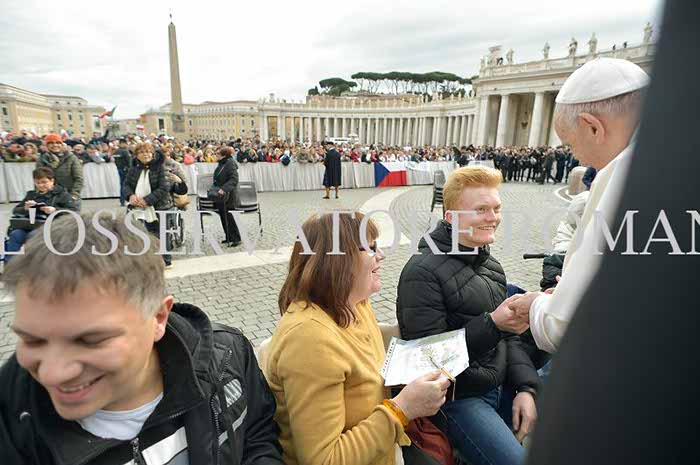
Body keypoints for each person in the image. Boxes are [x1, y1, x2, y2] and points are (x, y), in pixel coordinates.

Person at [0, 214, 283, 465]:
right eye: (33, 341)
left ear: (158, 317)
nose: (52, 374)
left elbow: (256, 436)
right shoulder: (10, 417)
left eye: (91, 341)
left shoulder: (227, 356)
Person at [263, 212, 449, 465]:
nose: (381, 255)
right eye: (370, 247)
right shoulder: (310, 340)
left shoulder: (353, 304)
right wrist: (402, 409)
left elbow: (364, 367)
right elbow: (324, 460)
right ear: (336, 261)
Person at [396, 166, 541, 465]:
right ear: (451, 217)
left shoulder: (492, 265)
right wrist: (493, 324)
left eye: (497, 208)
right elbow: (426, 359)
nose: (493, 217)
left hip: (499, 383)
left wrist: (525, 387)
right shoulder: (421, 272)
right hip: (457, 400)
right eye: (481, 209)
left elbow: (509, 338)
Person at [510, 57, 649, 353]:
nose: (577, 158)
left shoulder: (624, 175)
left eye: (571, 144)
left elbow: (568, 326)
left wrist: (536, 305)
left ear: (593, 127)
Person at [2, 167, 77, 263]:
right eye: (37, 183)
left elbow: (73, 212)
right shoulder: (31, 194)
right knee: (15, 234)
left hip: (53, 226)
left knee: (34, 235)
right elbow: (16, 211)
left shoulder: (63, 195)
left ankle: (34, 264)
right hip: (30, 225)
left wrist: (55, 210)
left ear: (52, 180)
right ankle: (11, 264)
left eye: (44, 182)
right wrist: (25, 208)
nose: (41, 185)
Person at [123, 143, 174, 267]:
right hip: (138, 207)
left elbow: (164, 188)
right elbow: (126, 185)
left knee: (162, 234)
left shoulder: (161, 168)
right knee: (143, 234)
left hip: (159, 206)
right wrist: (130, 195)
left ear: (152, 154)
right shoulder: (133, 169)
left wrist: (147, 200)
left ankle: (166, 260)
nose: (145, 154)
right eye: (141, 152)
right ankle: (148, 260)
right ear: (137, 155)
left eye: (148, 152)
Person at [36, 134, 84, 211]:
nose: (55, 145)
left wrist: (74, 195)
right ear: (47, 145)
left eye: (57, 143)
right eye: (51, 143)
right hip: (50, 197)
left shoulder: (71, 157)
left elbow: (79, 178)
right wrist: (39, 195)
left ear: (61, 144)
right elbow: (38, 179)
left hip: (69, 195)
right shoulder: (42, 159)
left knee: (70, 217)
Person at [212, 147, 242, 246]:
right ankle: (229, 236)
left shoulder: (230, 164)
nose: (216, 155)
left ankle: (236, 238)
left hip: (228, 195)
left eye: (218, 153)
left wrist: (224, 189)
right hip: (221, 195)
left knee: (229, 216)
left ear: (224, 155)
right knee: (223, 216)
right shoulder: (222, 163)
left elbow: (234, 179)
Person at [113, 139, 133, 206]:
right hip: (126, 170)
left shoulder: (116, 151)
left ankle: (122, 200)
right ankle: (127, 199)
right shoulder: (125, 151)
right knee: (127, 185)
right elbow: (129, 161)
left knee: (122, 185)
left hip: (120, 169)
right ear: (123, 143)